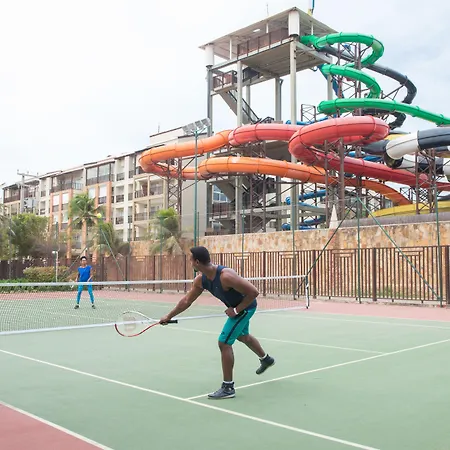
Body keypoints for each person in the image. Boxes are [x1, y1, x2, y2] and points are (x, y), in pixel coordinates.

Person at [159, 246, 275, 399]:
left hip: (245, 308)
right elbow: (187, 300)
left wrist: (236, 310)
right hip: (236, 308)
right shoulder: (201, 280)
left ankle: (228, 388)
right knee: (243, 336)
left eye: (191, 260)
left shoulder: (226, 276)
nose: (190, 263)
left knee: (224, 343)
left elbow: (253, 292)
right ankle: (266, 359)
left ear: (197, 262)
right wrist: (168, 316)